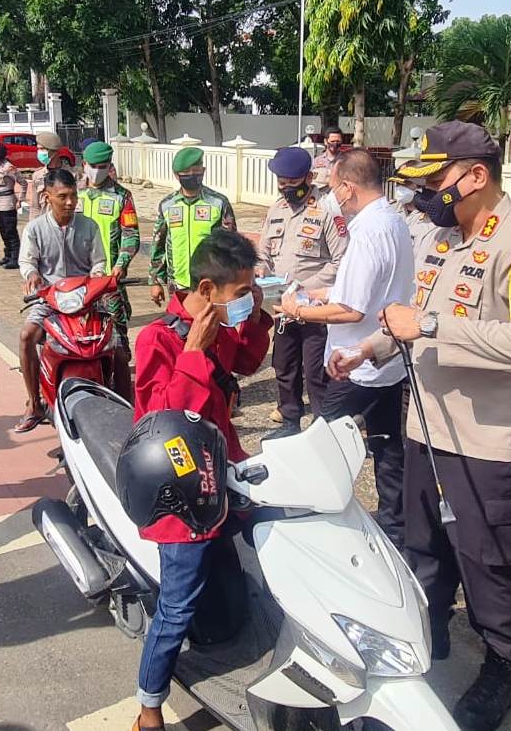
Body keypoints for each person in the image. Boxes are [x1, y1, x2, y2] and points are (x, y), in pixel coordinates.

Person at [331, 121, 511, 731]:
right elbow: (413, 319)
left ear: (476, 175)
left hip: (486, 442)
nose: (426, 194)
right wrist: (368, 349)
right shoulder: (439, 239)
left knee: (488, 561)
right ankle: (429, 629)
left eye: (436, 181)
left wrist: (431, 328)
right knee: (424, 547)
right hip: (425, 428)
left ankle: (503, 666)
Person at [129, 228, 272, 731]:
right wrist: (192, 351)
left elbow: (247, 363)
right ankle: (149, 708)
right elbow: (161, 420)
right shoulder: (158, 338)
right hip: (182, 490)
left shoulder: (222, 326)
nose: (246, 300)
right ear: (207, 290)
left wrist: (255, 317)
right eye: (241, 292)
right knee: (177, 604)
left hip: (225, 469)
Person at [277, 149, 412, 545]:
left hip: (358, 362)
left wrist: (299, 310)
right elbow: (366, 289)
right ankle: (395, 526)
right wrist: (319, 293)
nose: (331, 195)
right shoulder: (393, 220)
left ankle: (316, 521)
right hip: (386, 357)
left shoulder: (368, 232)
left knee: (322, 443)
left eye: (334, 187)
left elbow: (352, 310)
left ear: (348, 188)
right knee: (387, 446)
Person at [256, 146, 347, 438]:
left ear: (308, 177)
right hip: (283, 307)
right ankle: (290, 422)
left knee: (316, 371)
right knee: (284, 366)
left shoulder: (328, 210)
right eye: (281, 181)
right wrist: (260, 269)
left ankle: (323, 428)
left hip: (315, 308)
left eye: (292, 182)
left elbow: (341, 260)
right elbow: (263, 253)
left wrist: (306, 288)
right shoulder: (276, 210)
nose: (285, 187)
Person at [14, 167, 106, 433]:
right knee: (26, 336)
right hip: (49, 300)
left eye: (73, 196)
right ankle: (34, 403)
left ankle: (126, 407)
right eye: (63, 196)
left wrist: (98, 276)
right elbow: (27, 261)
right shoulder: (35, 229)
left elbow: (98, 261)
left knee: (118, 348)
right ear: (47, 196)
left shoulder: (89, 226)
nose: (69, 202)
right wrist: (31, 275)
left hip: (86, 300)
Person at [79, 141, 141, 402]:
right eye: (93, 166)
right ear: (84, 165)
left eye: (103, 166)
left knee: (117, 339)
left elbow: (131, 234)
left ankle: (123, 395)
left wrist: (120, 264)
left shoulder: (121, 196)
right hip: (78, 283)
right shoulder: (74, 193)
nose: (97, 171)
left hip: (109, 282)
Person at [149, 146, 237, 305]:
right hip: (177, 285)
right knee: (179, 321)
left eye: (196, 171)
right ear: (176, 175)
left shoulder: (218, 203)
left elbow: (231, 245)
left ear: (203, 171)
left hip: (210, 284)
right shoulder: (167, 205)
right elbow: (159, 245)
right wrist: (155, 281)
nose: (192, 175)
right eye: (186, 172)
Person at [0, 141, 23, 269]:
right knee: (3, 229)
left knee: (10, 231)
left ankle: (15, 258)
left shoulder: (9, 168)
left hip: (8, 203)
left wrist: (21, 199)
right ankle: (7, 255)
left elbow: (23, 183)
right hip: (0, 203)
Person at [25, 130, 66, 220]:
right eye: (38, 149)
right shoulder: (38, 175)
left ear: (54, 151)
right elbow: (35, 206)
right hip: (44, 223)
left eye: (42, 149)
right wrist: (33, 225)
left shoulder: (70, 175)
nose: (39, 152)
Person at [311, 125, 343, 192]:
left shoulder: (346, 160)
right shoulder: (317, 161)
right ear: (326, 141)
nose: (335, 144)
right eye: (332, 141)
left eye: (338, 141)